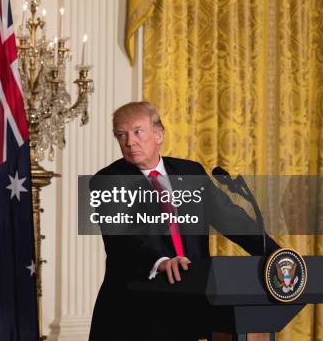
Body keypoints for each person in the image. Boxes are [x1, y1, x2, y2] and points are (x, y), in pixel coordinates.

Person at [88, 101, 279, 341]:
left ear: (159, 134)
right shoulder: (108, 180)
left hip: (191, 302)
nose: (129, 141)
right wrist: (162, 261)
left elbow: (230, 218)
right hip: (135, 311)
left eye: (137, 132)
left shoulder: (190, 172)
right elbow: (124, 239)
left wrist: (276, 255)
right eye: (121, 135)